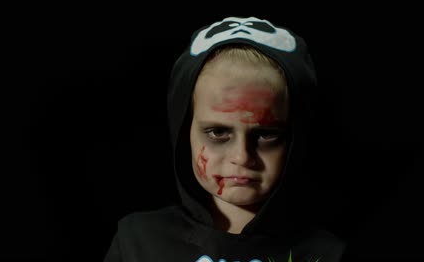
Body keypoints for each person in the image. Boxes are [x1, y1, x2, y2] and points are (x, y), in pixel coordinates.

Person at [103, 16, 346, 262]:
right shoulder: (139, 243)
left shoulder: (325, 254)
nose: (242, 157)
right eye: (218, 132)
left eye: (265, 134)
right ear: (185, 131)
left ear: (295, 138)